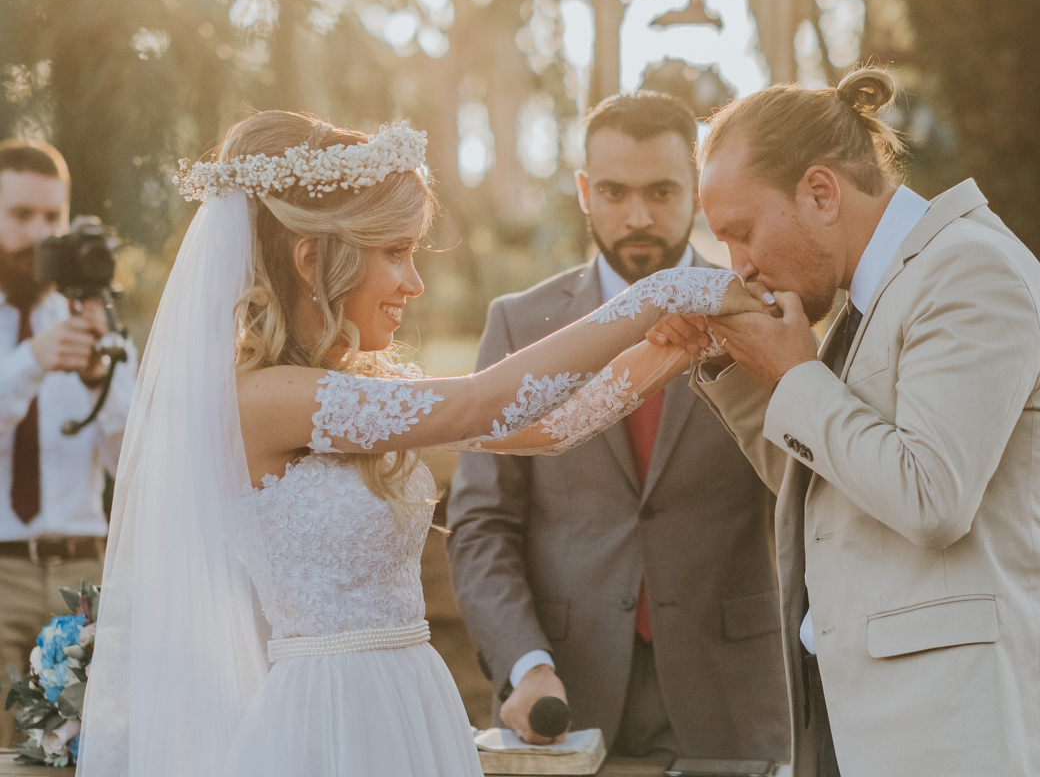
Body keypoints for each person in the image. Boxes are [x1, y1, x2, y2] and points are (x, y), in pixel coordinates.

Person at [77, 110, 770, 777]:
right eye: (395, 253)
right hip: (333, 717)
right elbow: (481, 399)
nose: (413, 282)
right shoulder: (263, 398)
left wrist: (668, 355)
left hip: (408, 698)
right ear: (314, 258)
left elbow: (551, 429)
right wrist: (665, 291)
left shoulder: (350, 390)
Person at [653, 68, 1040, 777]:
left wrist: (795, 375)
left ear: (821, 193)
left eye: (742, 232)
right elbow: (827, 486)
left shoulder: (971, 272)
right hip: (852, 729)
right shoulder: (866, 301)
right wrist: (740, 363)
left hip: (956, 740)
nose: (740, 266)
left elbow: (931, 495)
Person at [447, 91, 788, 759]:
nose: (638, 216)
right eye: (613, 191)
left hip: (733, 693)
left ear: (695, 190)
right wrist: (526, 663)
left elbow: (806, 492)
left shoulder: (758, 310)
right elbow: (483, 521)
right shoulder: (519, 323)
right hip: (561, 693)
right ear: (583, 191)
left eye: (662, 192)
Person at [0, 140, 133, 747]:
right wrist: (29, 362)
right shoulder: (35, 342)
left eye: (51, 217)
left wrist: (103, 377)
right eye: (20, 215)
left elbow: (134, 464)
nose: (38, 233)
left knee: (87, 751)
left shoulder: (98, 326)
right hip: (1, 570)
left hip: (83, 574)